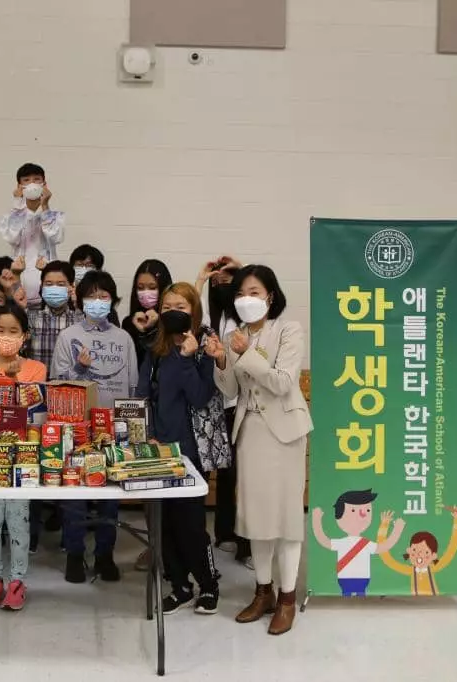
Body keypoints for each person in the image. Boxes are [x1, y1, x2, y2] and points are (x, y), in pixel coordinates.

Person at [208, 264, 313, 635]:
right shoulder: (237, 334)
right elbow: (231, 390)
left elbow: (283, 383)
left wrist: (247, 351)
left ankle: (287, 599)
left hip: (285, 432)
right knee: (257, 519)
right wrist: (222, 358)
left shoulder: (288, 330)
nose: (246, 300)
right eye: (240, 294)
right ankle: (262, 592)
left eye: (254, 292)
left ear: (270, 295)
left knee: (285, 519)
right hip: (250, 429)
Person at [137, 282, 223, 616]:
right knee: (163, 524)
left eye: (182, 307)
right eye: (169, 306)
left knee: (190, 525)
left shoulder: (203, 349)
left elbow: (201, 396)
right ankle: (180, 586)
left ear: (194, 312)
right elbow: (143, 394)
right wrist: (149, 435)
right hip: (159, 450)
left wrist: (188, 359)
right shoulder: (155, 350)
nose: (174, 312)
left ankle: (208, 583)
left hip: (192, 453)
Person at [52, 271, 137, 583]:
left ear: (113, 300)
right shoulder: (68, 336)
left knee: (109, 496)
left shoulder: (123, 338)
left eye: (104, 296)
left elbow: (131, 386)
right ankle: (74, 554)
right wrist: (79, 367)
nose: (98, 302)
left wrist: (130, 429)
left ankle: (105, 554)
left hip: (113, 429)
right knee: (75, 493)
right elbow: (58, 382)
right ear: (80, 300)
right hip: (77, 429)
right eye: (91, 296)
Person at [0, 305, 48, 610]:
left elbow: (37, 418)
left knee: (18, 520)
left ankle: (17, 582)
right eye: (0, 330)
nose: (5, 336)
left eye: (13, 331)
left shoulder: (36, 369)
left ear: (25, 336)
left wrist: (18, 383)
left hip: (23, 456)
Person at [196, 257, 250, 566]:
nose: (222, 286)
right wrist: (203, 277)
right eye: (217, 283)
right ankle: (204, 535)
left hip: (234, 406)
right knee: (204, 471)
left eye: (229, 282)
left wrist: (239, 270)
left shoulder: (244, 319)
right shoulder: (207, 319)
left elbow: (253, 291)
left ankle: (231, 534)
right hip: (205, 406)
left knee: (232, 474)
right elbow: (189, 304)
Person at [310, 489, 405, 598]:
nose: (363, 514)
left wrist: (397, 529)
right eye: (353, 511)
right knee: (347, 595)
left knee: (360, 594)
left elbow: (384, 546)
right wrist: (316, 520)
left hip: (362, 578)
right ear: (338, 517)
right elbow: (323, 540)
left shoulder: (365, 544)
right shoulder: (343, 543)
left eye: (368, 510)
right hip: (345, 578)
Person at [0, 162, 65, 307]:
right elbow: (11, 238)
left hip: (49, 286)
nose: (32, 184)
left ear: (44, 184)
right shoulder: (11, 216)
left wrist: (45, 206)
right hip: (19, 283)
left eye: (36, 179)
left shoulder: (55, 215)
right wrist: (17, 204)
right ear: (19, 186)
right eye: (26, 180)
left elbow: (56, 237)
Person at [377, 506, 457, 596]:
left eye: (426, 552)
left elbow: (452, 549)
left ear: (433, 555)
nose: (419, 555)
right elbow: (386, 556)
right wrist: (384, 525)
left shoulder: (435, 567)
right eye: (415, 550)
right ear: (409, 551)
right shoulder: (409, 570)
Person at [29, 260, 82, 374]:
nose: (54, 288)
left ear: (72, 287)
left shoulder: (79, 319)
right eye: (48, 284)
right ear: (41, 286)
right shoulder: (32, 317)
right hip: (37, 384)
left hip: (69, 385)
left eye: (61, 284)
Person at [122, 259, 172, 369]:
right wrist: (142, 331)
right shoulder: (128, 323)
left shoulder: (171, 322)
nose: (146, 292)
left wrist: (157, 325)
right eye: (140, 288)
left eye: (152, 287)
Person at [69, 244, 120, 325]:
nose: (84, 269)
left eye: (89, 265)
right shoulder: (63, 297)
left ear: (98, 270)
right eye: (79, 265)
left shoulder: (104, 303)